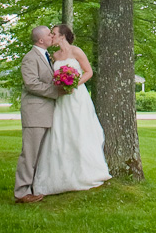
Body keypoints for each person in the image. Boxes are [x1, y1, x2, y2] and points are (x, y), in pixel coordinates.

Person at [33, 23, 111, 194]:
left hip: (77, 97)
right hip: (61, 98)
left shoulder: (76, 51)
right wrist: (61, 84)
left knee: (79, 129)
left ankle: (85, 172)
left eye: (53, 33)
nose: (51, 36)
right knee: (61, 130)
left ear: (62, 36)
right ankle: (62, 173)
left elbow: (88, 72)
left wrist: (74, 83)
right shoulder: (54, 55)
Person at [14, 25, 60, 204]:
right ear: (41, 40)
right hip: (35, 112)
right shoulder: (30, 58)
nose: (52, 36)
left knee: (40, 154)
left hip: (46, 112)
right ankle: (21, 192)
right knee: (30, 154)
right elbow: (31, 84)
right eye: (49, 34)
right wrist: (57, 91)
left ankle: (35, 187)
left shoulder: (47, 56)